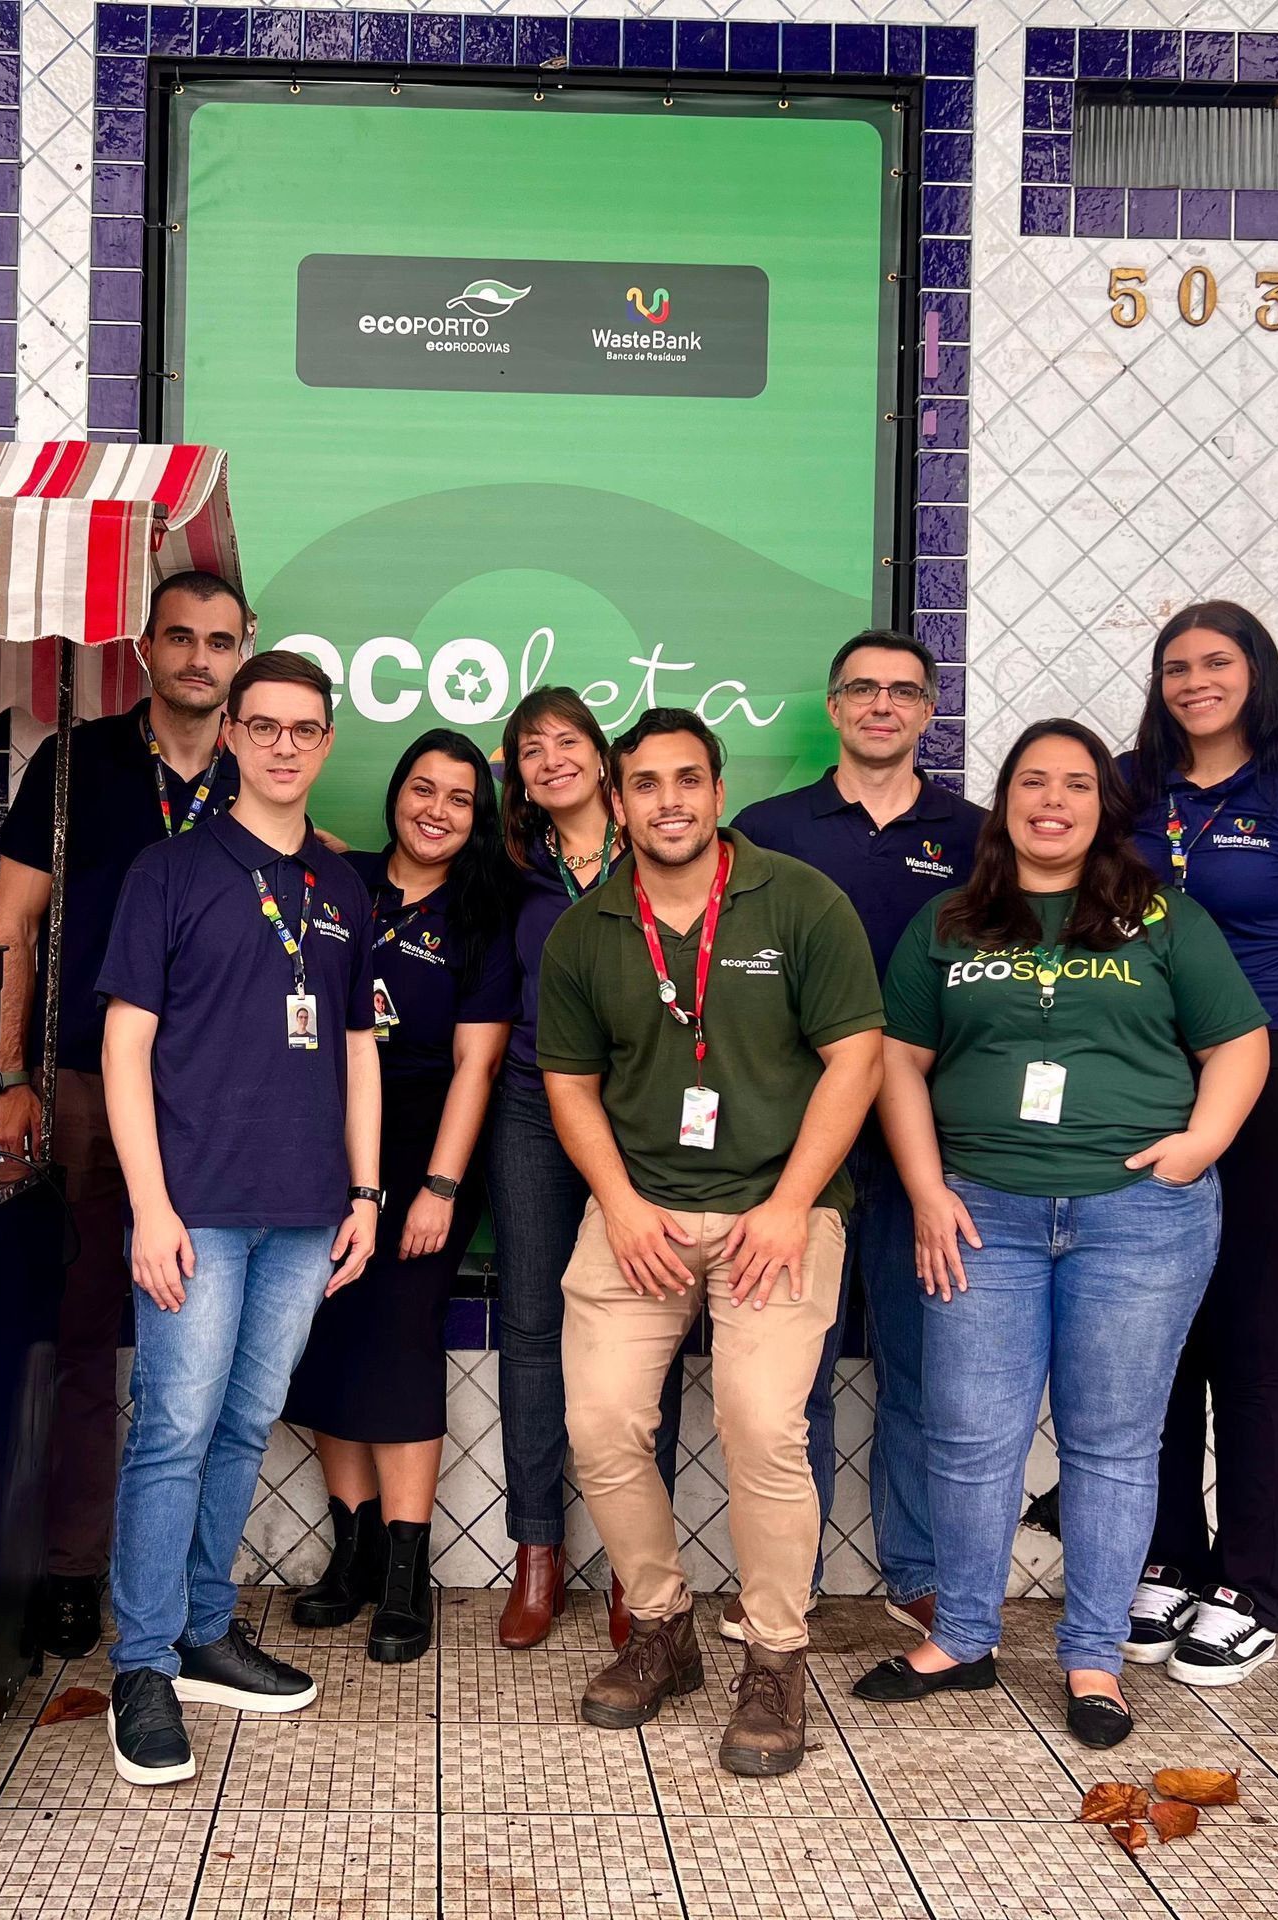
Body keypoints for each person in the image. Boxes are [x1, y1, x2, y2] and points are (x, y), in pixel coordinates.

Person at [856, 719, 1268, 1751]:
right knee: (968, 1434)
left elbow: (1239, 1040)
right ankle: (962, 1636)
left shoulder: (1159, 915)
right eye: (1033, 782)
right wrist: (926, 1188)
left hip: (1138, 1221)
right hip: (981, 1214)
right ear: (1005, 804)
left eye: (1076, 784)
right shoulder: (951, 920)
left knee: (1113, 1443)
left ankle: (1093, 1656)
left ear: (1102, 806)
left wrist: (1200, 1144)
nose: (1053, 801)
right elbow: (898, 1060)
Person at [539, 708, 883, 1777]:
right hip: (638, 1212)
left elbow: (857, 1058)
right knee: (600, 1423)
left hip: (779, 1213)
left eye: (688, 779)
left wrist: (790, 1204)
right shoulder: (588, 929)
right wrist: (619, 1203)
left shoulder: (803, 901)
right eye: (645, 784)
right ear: (617, 801)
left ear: (719, 793)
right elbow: (569, 1083)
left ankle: (775, 1657)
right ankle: (661, 1628)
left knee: (762, 1424)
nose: (669, 802)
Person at [96, 649, 382, 1787]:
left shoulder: (342, 887)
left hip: (305, 1211)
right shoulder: (170, 871)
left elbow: (357, 1048)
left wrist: (366, 1193)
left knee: (243, 1424)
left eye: (303, 729)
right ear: (230, 737)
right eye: (261, 726)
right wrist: (149, 1206)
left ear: (326, 743)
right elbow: (124, 1045)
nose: (281, 746)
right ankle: (142, 1664)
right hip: (197, 1209)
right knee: (172, 1429)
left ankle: (206, 1632)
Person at [0, 568, 247, 1657]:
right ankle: (69, 1567)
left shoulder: (255, 768)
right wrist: (9, 1073)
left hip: (216, 1102)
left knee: (208, 1351)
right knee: (86, 1336)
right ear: (143, 648)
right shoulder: (74, 764)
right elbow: (13, 925)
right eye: (179, 637)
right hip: (87, 1087)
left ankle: (187, 1587)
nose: (198, 657)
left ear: (243, 652)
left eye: (219, 642)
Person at [1121, 603, 1278, 1685]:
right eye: (1175, 667)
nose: (1194, 682)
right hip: (1145, 1073)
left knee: (1246, 1331)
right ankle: (1170, 1559)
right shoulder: (1132, 790)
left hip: (1269, 1074)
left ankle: (1255, 1583)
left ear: (1256, 672)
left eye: (1215, 663)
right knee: (1157, 1333)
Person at [733, 630, 983, 1641]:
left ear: (929, 711)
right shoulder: (767, 830)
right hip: (798, 1146)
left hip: (931, 1142)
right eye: (863, 689)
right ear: (834, 707)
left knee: (921, 1366)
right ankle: (786, 1581)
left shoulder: (975, 836)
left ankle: (916, 1572)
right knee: (794, 1373)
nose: (883, 705)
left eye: (904, 692)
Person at [284, 730, 519, 1663]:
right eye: (423, 789)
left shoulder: (483, 913)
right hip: (322, 1143)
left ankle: (405, 1573)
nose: (437, 811)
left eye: (459, 798)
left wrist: (440, 1188)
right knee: (327, 1333)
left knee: (399, 1339)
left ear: (478, 816)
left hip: (426, 1149)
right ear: (395, 793)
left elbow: (477, 1065)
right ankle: (354, 1554)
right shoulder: (341, 885)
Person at [488, 687, 684, 1653]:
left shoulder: (658, 841)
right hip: (534, 1103)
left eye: (567, 741)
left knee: (651, 1321)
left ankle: (637, 1570)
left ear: (603, 758)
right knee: (531, 1325)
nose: (552, 759)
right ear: (519, 777)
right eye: (532, 750)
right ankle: (539, 1552)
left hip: (643, 1104)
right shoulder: (511, 866)